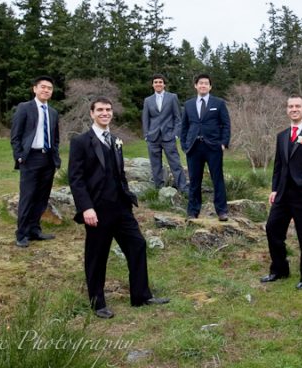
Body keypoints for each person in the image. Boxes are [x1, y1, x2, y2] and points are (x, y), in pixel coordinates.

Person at [68, 97, 169, 318]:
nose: (105, 113)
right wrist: (86, 208)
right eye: (100, 110)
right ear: (92, 114)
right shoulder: (81, 142)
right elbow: (76, 179)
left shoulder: (115, 140)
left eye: (108, 110)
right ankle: (98, 303)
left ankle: (141, 296)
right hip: (97, 210)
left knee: (138, 245)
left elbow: (119, 173)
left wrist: (128, 197)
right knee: (97, 256)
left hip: (121, 208)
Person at [261, 96, 302, 289]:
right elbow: (278, 165)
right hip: (282, 194)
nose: (294, 109)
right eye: (290, 106)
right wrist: (274, 189)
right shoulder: (282, 136)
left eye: (297, 106)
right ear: (286, 110)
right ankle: (279, 270)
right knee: (272, 228)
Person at [10, 75, 61, 248]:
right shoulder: (24, 108)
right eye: (43, 87)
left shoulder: (53, 112)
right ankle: (21, 233)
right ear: (35, 89)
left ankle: (34, 230)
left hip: (48, 159)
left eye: (49, 88)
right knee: (28, 196)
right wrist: (19, 156)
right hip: (30, 158)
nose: (46, 90)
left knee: (42, 197)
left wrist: (56, 158)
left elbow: (55, 138)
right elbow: (15, 135)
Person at [180, 74, 231, 220]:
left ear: (210, 87)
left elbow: (226, 124)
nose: (203, 85)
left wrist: (223, 143)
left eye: (206, 83)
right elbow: (184, 126)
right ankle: (192, 212)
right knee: (195, 181)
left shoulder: (219, 103)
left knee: (217, 179)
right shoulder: (188, 104)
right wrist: (184, 145)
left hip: (213, 147)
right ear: (195, 86)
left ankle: (222, 211)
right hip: (194, 147)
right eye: (200, 83)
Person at [141, 74, 188, 194]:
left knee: (175, 163)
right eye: (155, 82)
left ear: (164, 84)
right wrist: (146, 134)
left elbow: (178, 118)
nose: (158, 84)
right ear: (152, 85)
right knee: (155, 165)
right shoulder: (148, 100)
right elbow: (145, 119)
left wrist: (176, 134)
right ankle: (159, 189)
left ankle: (183, 188)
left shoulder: (172, 97)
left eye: (160, 82)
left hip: (169, 136)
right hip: (153, 137)